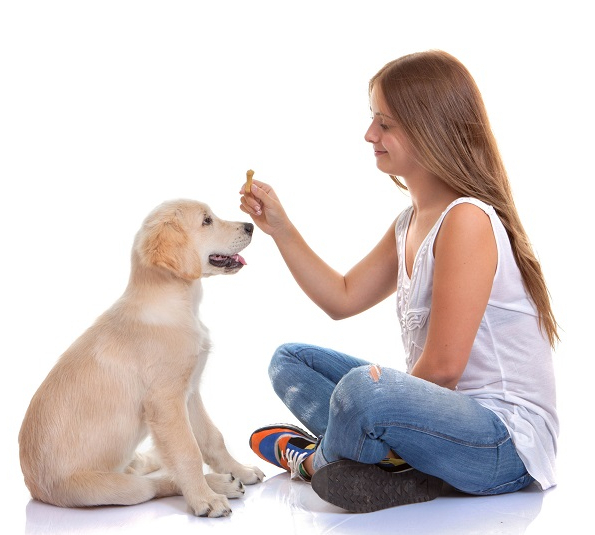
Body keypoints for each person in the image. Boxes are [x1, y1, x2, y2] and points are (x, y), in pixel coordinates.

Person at [238, 50, 559, 514]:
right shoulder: (409, 223)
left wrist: (380, 399)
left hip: (501, 445)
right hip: (441, 425)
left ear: (429, 128)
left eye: (384, 124)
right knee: (289, 361)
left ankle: (315, 461)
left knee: (363, 390)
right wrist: (281, 229)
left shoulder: (467, 220)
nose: (370, 135)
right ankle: (391, 462)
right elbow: (342, 298)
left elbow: (445, 368)